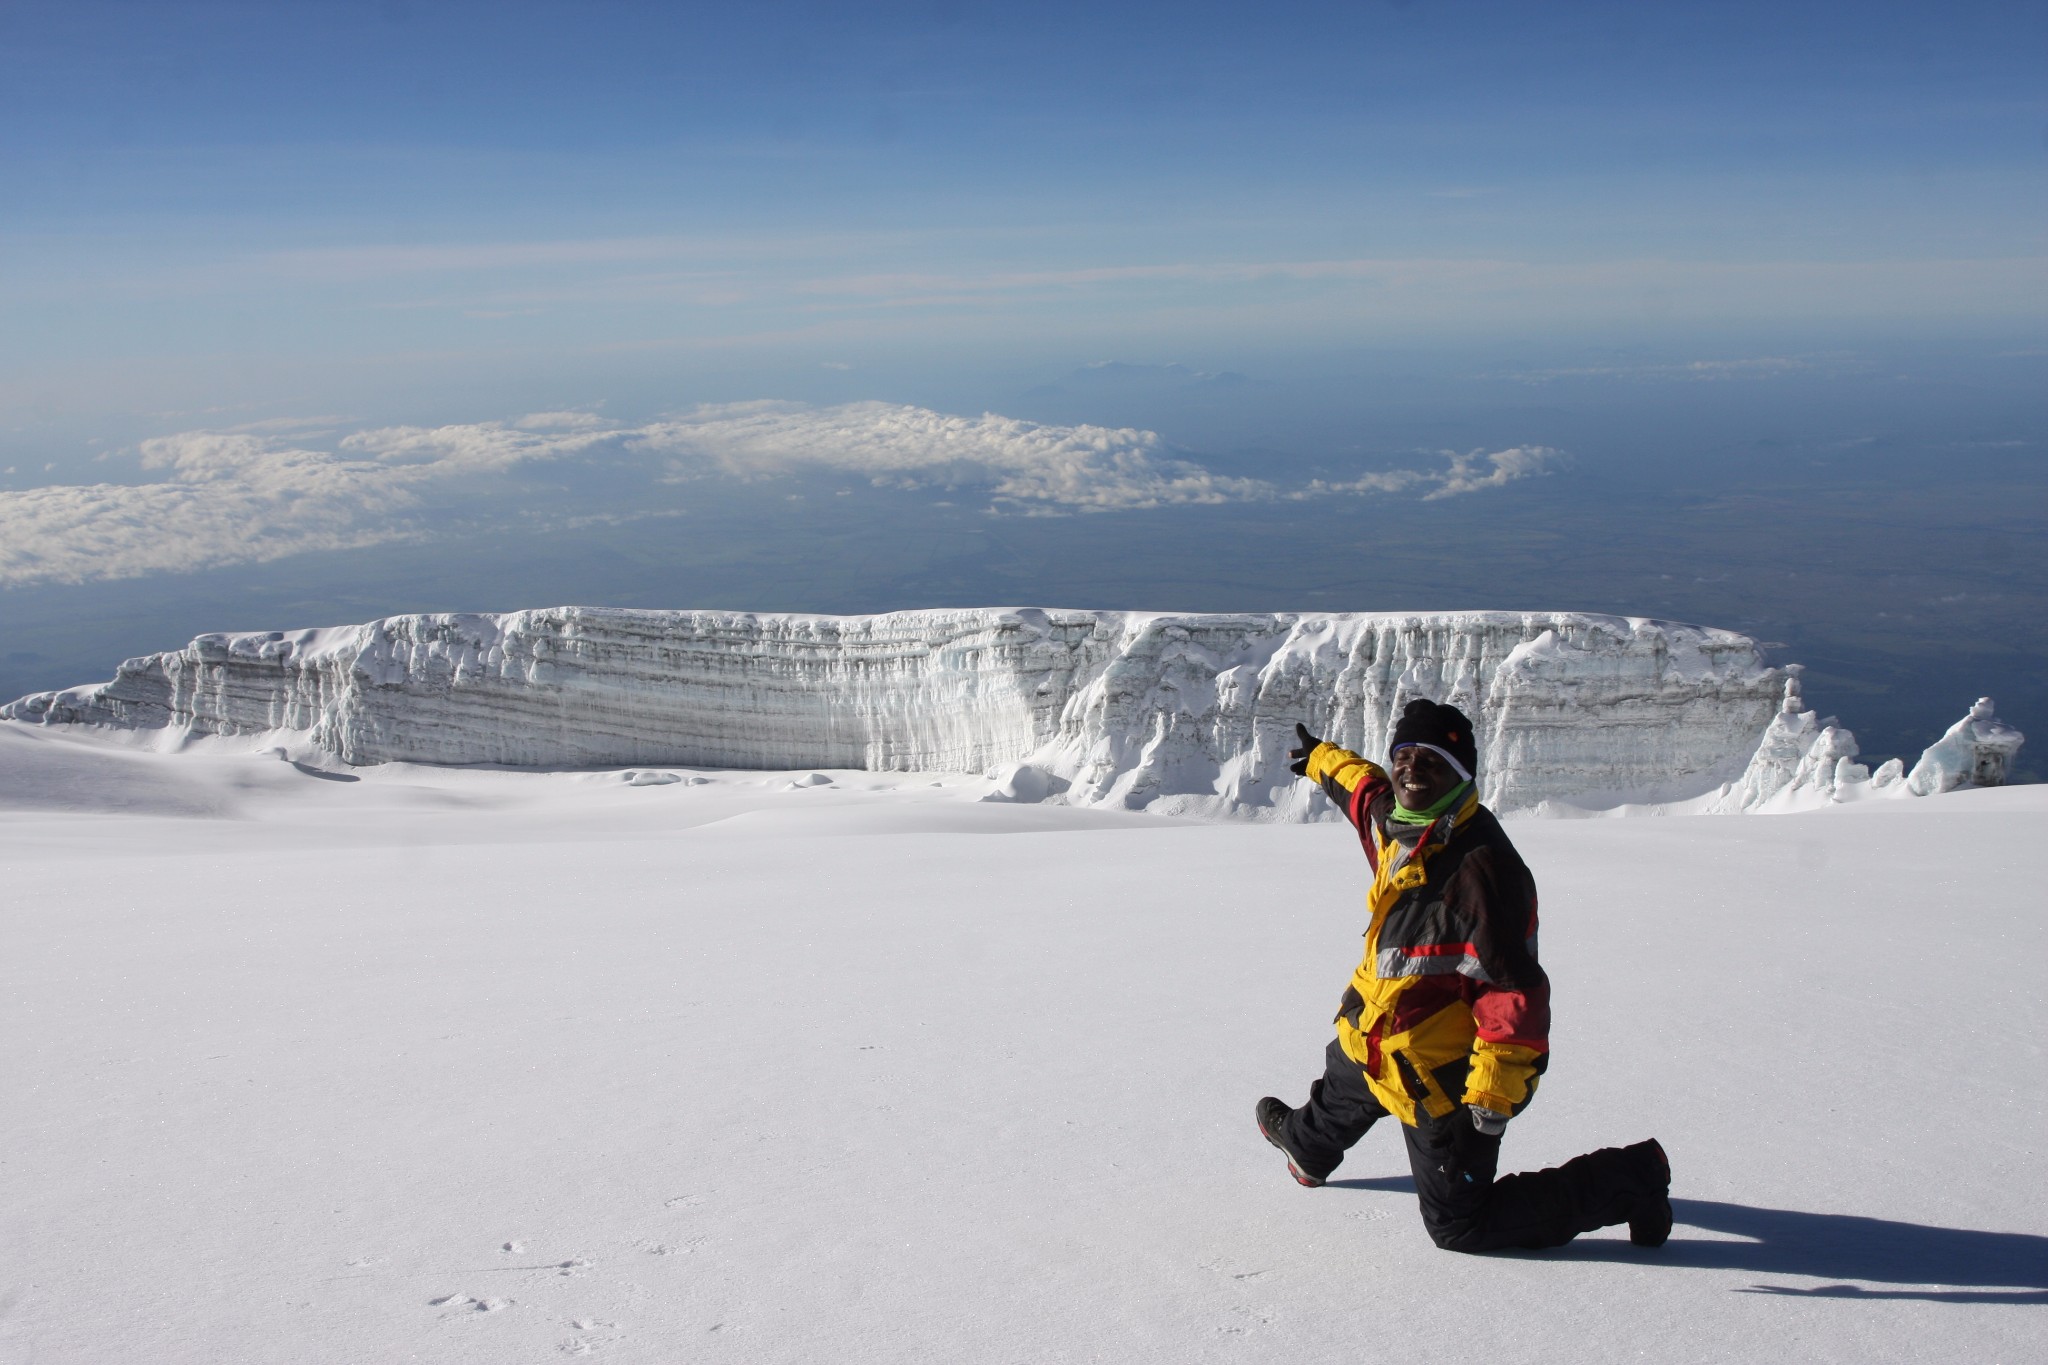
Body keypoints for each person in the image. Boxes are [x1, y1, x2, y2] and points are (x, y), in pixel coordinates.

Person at [1256, 698, 1673, 1252]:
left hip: (1438, 1078)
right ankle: (1305, 1152)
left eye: (1430, 762)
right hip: (1373, 1035)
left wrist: (1488, 1111)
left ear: (1458, 776)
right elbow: (1363, 789)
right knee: (1341, 1094)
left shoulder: (1483, 876)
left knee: (1460, 1227)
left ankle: (1630, 1180)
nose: (1410, 771)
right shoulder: (1401, 826)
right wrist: (1318, 759)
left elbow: (1514, 1008)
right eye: (1405, 756)